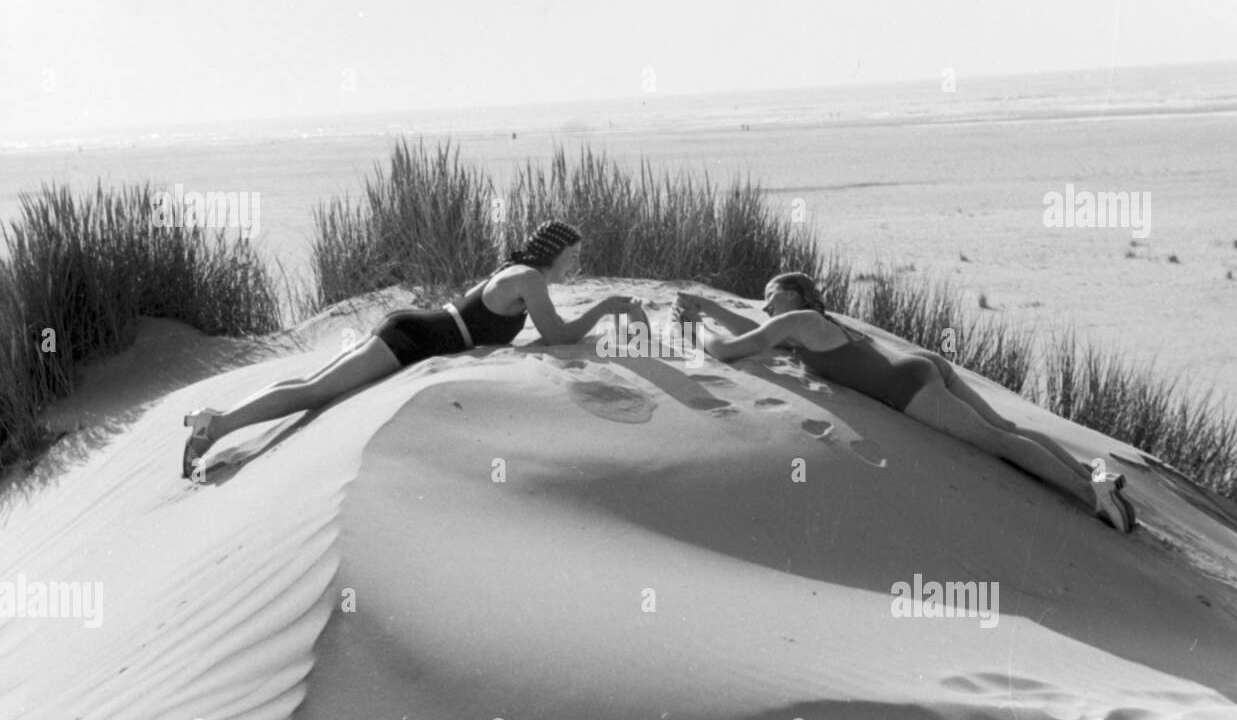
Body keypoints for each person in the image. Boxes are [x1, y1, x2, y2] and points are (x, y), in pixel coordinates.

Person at [673, 272, 1136, 533]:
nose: (764, 306)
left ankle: (1088, 495)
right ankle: (1090, 474)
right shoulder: (813, 323)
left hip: (906, 388)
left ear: (792, 294)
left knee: (994, 442)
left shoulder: (793, 320)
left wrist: (693, 330)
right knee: (1008, 429)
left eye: (769, 297)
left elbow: (731, 351)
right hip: (921, 364)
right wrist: (708, 310)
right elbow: (755, 332)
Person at [180, 220, 648, 478]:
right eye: (574, 257)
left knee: (312, 385)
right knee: (314, 392)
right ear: (554, 253)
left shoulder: (517, 273)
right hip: (415, 338)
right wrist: (607, 306)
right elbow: (558, 338)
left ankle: (214, 421)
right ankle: (217, 423)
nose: (578, 265)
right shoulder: (527, 279)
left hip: (412, 329)